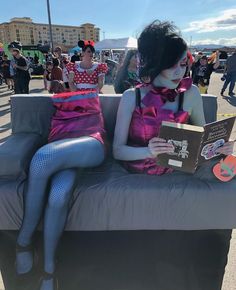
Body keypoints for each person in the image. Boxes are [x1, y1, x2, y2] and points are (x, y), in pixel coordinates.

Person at [15, 62, 107, 289]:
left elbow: (100, 86)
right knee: (58, 194)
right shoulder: (60, 85)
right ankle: (49, 271)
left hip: (89, 140)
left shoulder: (95, 80)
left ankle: (23, 244)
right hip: (62, 142)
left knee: (42, 159)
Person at [113, 20, 234, 176]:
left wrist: (219, 147)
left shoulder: (191, 93)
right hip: (138, 177)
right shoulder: (131, 97)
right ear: (153, 63)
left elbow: (203, 140)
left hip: (178, 173)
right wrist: (148, 152)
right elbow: (117, 151)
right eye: (171, 64)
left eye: (183, 63)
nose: (180, 72)